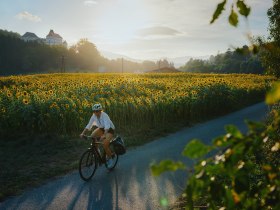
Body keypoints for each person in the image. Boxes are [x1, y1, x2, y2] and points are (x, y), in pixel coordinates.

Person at [80, 103, 115, 167]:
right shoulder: (94, 116)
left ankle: (110, 159)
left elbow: (107, 127)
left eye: (97, 111)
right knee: (92, 136)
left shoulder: (105, 115)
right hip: (101, 128)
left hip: (109, 130)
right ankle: (97, 154)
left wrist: (104, 135)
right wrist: (83, 133)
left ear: (100, 110)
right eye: (94, 111)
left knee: (105, 144)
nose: (95, 112)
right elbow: (89, 125)